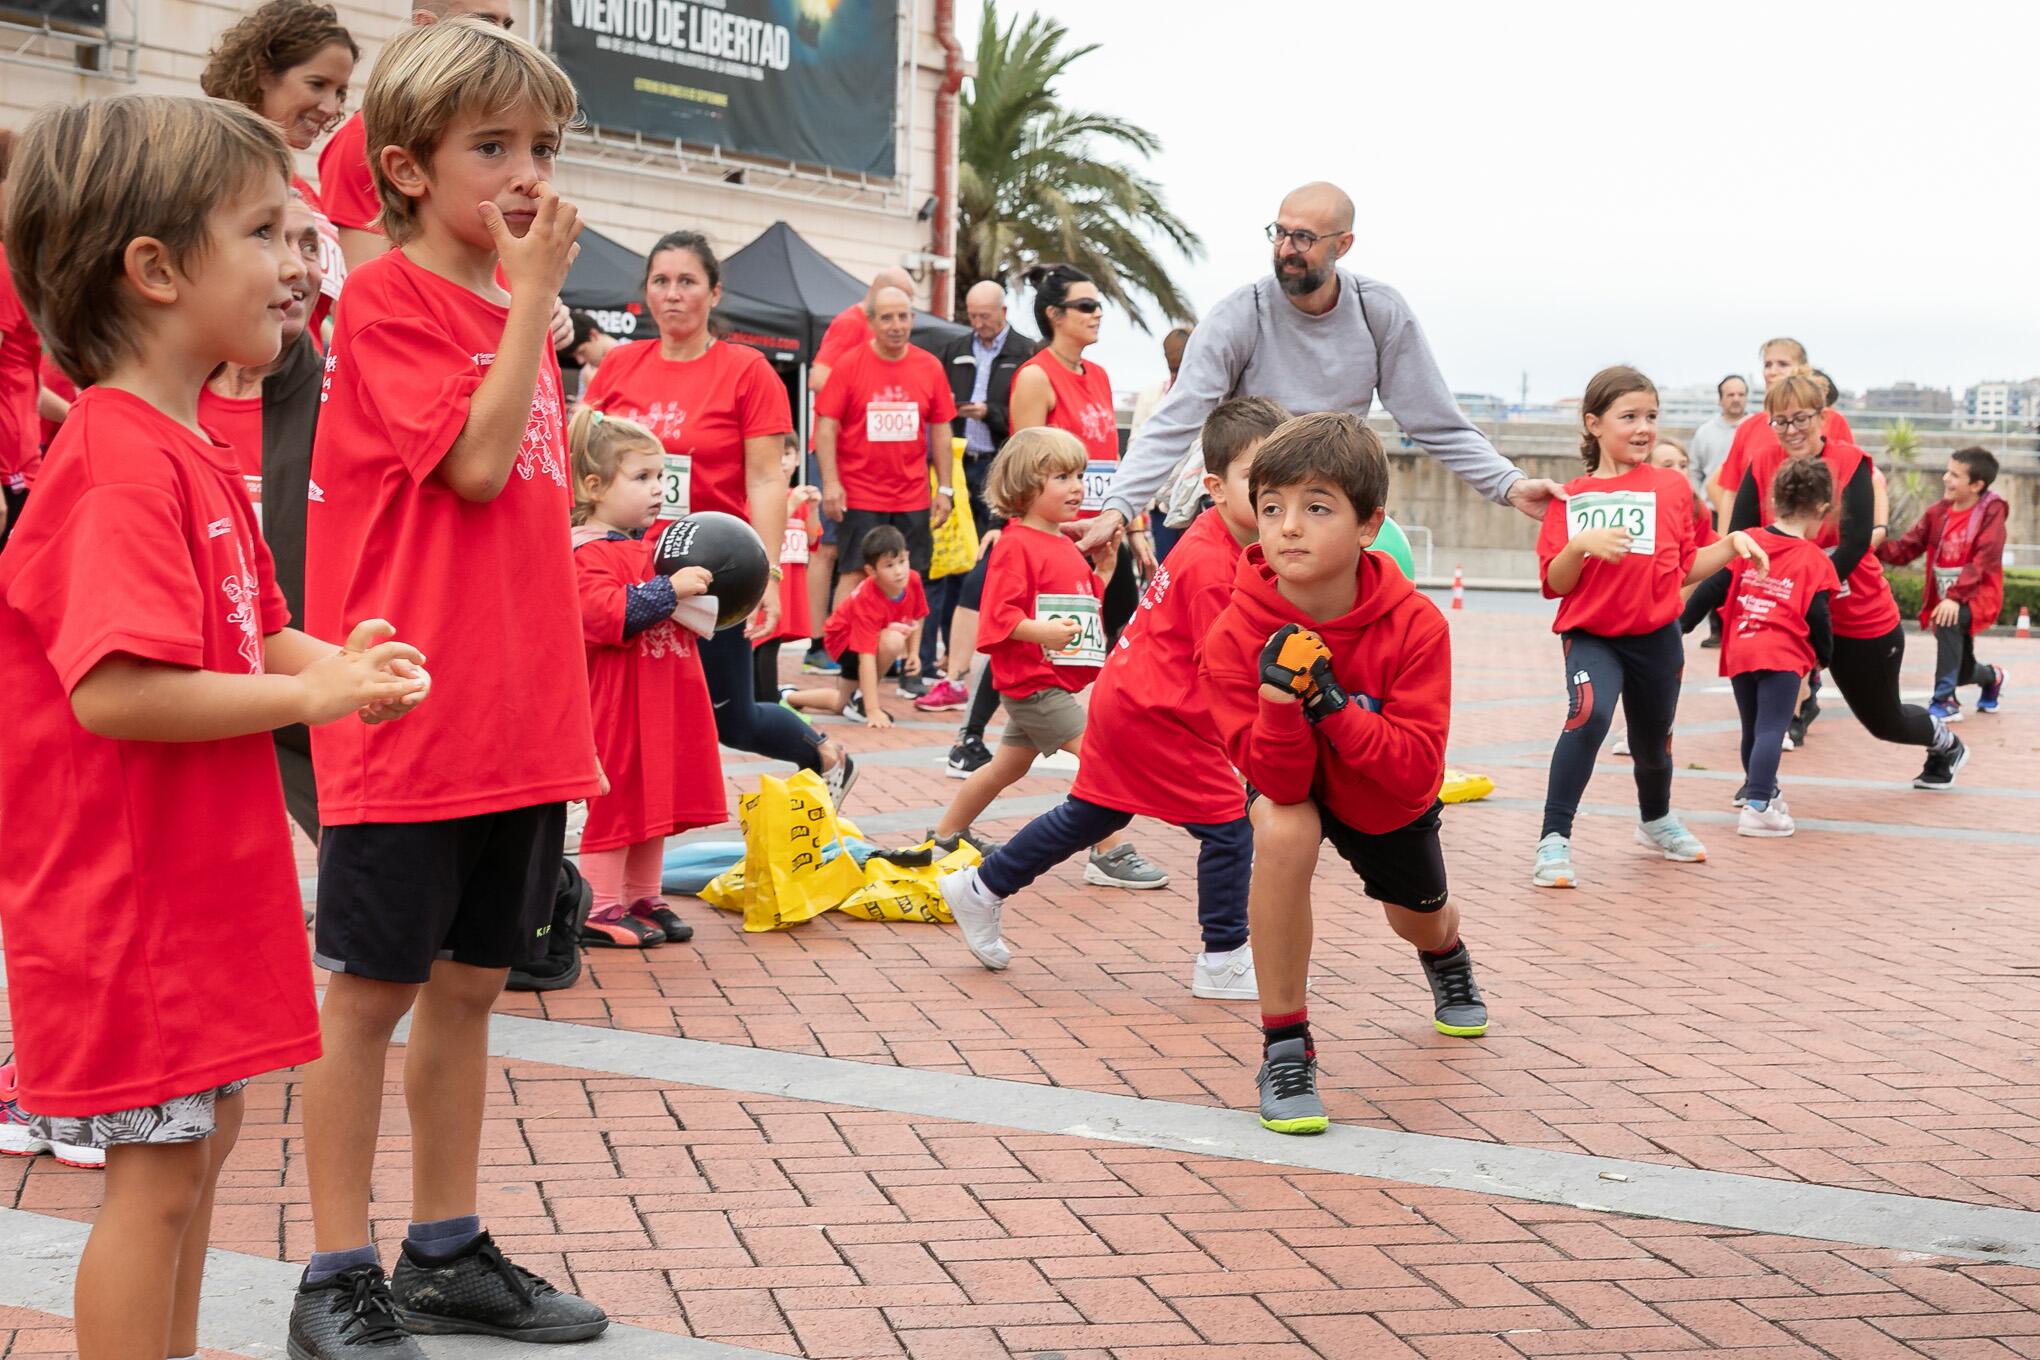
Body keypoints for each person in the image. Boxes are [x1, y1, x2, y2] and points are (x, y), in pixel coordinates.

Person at [0, 92, 428, 1360]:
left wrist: (330, 659)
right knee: (160, 1177)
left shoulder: (178, 447)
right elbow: (117, 690)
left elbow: (251, 633)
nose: (301, 265)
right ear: (155, 270)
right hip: (128, 900)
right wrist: (314, 695)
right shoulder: (121, 463)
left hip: (192, 884)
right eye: (265, 233)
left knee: (198, 1152)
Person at [294, 19, 610, 1352]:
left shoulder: (505, 306)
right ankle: (335, 1271)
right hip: (412, 710)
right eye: (494, 148)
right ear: (410, 169)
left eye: (542, 145)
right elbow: (473, 471)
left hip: (519, 714)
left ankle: (444, 1244)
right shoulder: (391, 301)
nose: (528, 175)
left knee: (474, 986)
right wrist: (534, 298)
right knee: (369, 995)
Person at [1198, 412, 1487, 1138]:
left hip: (1387, 797)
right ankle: (1285, 1049)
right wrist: (1278, 705)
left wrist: (1327, 703)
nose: (1289, 526)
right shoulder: (1233, 634)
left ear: (1368, 525)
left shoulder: (1418, 626)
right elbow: (1282, 783)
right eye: (1272, 508)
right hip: (1295, 783)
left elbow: (1416, 768)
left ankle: (1446, 953)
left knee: (1415, 916)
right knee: (1285, 829)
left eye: (1316, 507)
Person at [938, 397, 1286, 992]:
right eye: (1257, 480)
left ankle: (980, 886)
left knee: (1091, 813)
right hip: (1159, 715)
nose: (1272, 496)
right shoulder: (1210, 561)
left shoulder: (1217, 540)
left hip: (1133, 704)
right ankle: (1222, 957)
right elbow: (1224, 663)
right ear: (1215, 487)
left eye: (1281, 480)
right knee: (1229, 828)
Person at [1076, 181, 1563, 563]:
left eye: (1303, 238)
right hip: (1251, 517)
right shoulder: (1239, 315)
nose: (1286, 248)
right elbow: (1176, 419)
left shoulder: (1379, 313)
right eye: (1279, 232)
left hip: (1330, 508)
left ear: (1343, 244)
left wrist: (1510, 484)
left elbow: (1437, 421)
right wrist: (1118, 507)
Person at [581, 230, 858, 800]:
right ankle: (615, 812)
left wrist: (770, 577)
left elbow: (764, 479)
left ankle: (827, 756)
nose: (673, 294)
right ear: (646, 294)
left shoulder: (746, 369)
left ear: (714, 292)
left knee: (733, 718)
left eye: (687, 281)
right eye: (661, 281)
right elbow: (580, 453)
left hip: (712, 571)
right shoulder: (619, 366)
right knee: (614, 697)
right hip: (627, 565)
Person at [1531, 367, 1767, 890]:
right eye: (1629, 417)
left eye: (1651, 417)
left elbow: (1683, 566)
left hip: (1657, 637)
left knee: (1652, 742)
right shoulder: (1571, 497)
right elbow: (1554, 580)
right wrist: (1578, 546)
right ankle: (1553, 840)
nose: (1643, 428)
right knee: (1589, 717)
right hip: (1593, 636)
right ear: (1593, 424)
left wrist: (1732, 546)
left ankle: (1655, 820)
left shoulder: (1673, 487)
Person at [1708, 370, 1970, 792]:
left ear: (1821, 416)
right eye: (1780, 421)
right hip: (1785, 613)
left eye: (1800, 419)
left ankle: (1944, 742)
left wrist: (1805, 590)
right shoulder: (1763, 463)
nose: (1791, 430)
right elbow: (1740, 541)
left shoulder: (1851, 462)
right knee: (1762, 709)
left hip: (1857, 613)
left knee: (1885, 721)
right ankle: (1759, 789)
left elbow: (1853, 546)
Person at [199, 189, 328, 839]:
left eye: (311, 246)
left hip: (307, 701)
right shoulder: (166, 401)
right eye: (274, 239)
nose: (297, 266)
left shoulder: (343, 393)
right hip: (191, 692)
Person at [569, 407, 719, 948]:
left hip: (661, 695)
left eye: (661, 476)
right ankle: (599, 905)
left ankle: (642, 895)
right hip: (618, 701)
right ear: (594, 485)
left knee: (659, 794)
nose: (658, 488)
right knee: (622, 796)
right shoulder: (587, 551)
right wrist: (671, 589)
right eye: (642, 477)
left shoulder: (649, 546)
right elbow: (609, 614)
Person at [926, 428, 1114, 856]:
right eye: (1062, 477)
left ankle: (945, 836)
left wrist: (1102, 573)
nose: (1078, 486)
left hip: (1047, 680)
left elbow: (1079, 607)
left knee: (1005, 767)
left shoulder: (1062, 541)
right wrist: (1043, 632)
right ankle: (1109, 852)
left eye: (1079, 475)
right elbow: (998, 617)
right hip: (1033, 682)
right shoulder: (1015, 545)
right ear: (1027, 486)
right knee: (1100, 759)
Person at [1683, 457, 1839, 838]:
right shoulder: (1815, 559)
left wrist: (1677, 627)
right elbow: (1819, 616)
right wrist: (1825, 657)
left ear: (1775, 498)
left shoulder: (1747, 541)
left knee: (1752, 729)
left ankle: (1764, 790)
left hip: (1742, 648)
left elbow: (1711, 588)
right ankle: (1757, 807)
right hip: (1782, 654)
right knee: (1773, 728)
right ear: (1821, 507)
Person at [317, 0, 513, 269]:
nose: (503, 38)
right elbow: (360, 288)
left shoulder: (508, 123)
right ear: (425, 25)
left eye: (507, 25)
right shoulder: (367, 136)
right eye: (485, 23)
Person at [199, 0, 358, 324]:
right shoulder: (217, 174)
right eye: (317, 84)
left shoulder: (298, 188)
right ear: (262, 74)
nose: (330, 106)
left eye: (340, 92)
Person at [813, 283, 955, 635]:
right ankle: (845, 658)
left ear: (912, 319)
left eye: (903, 317)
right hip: (861, 492)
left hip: (912, 494)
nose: (896, 325)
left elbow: (941, 429)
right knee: (854, 571)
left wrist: (946, 489)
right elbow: (827, 426)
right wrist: (831, 482)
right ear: (872, 321)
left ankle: (909, 665)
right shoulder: (849, 365)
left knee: (911, 575)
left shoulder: (930, 367)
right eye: (887, 317)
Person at [924, 279, 1035, 700]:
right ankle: (940, 659)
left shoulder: (1025, 352)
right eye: (972, 317)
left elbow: (1025, 418)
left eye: (985, 317)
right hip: (955, 463)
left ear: (1003, 312)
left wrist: (991, 413)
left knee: (983, 564)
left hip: (999, 466)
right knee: (948, 558)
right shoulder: (956, 349)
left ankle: (960, 667)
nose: (978, 325)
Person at [802, 264, 917, 663]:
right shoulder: (852, 323)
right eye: (896, 306)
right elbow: (818, 377)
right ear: (878, 296)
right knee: (831, 550)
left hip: (873, 464)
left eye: (907, 310)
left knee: (862, 552)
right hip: (837, 453)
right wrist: (862, 393)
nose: (901, 317)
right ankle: (821, 641)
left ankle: (857, 641)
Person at [1875, 446, 2008, 721]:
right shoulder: (1938, 513)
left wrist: (1955, 597)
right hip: (1945, 599)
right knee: (1962, 668)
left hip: (1977, 595)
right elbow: (1907, 549)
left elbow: (1984, 560)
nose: (1945, 478)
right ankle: (1991, 677)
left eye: (1955, 475)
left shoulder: (1991, 513)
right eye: (1947, 472)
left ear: (1976, 485)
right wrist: (1870, 546)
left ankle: (1944, 700)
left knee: (1948, 620)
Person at [782, 525, 927, 728]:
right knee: (893, 640)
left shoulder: (913, 580)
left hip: (864, 641)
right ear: (871, 571)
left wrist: (913, 653)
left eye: (902, 561)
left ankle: (788, 697)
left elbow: (917, 616)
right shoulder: (868, 598)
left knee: (842, 703)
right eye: (889, 565)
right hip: (842, 643)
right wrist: (872, 710)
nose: (899, 571)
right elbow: (866, 657)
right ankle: (861, 698)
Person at [757, 437, 822, 700]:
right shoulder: (763, 499)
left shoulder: (799, 499)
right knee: (762, 643)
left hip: (789, 586)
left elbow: (813, 539)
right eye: (777, 454)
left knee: (773, 643)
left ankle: (768, 700)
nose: (782, 460)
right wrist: (792, 504)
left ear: (797, 459)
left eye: (787, 453)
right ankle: (766, 702)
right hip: (768, 588)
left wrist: (813, 508)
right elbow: (764, 529)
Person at [1688, 374, 1746, 505]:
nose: (1736, 399)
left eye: (1741, 394)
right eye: (1730, 395)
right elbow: (1693, 471)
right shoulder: (1704, 432)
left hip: (1746, 510)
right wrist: (1700, 502)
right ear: (1720, 399)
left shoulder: (1757, 429)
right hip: (1711, 509)